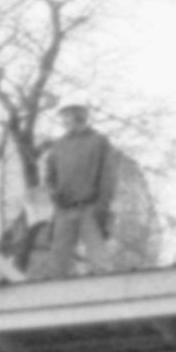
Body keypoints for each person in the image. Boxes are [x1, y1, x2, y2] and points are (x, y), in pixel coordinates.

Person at [30, 102, 119, 281]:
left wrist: (102, 205)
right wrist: (54, 194)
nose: (64, 123)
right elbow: (50, 176)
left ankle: (105, 291)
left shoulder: (99, 141)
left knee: (98, 256)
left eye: (68, 118)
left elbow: (108, 176)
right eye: (63, 119)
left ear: (80, 118)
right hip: (64, 208)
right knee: (57, 259)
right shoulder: (59, 146)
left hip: (91, 206)